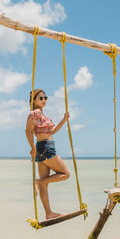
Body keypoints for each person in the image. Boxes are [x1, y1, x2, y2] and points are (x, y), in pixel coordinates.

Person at [25, 88, 70, 220]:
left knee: (44, 184)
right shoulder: (36, 112)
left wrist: (63, 120)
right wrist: (32, 147)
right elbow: (28, 130)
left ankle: (49, 213)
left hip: (42, 148)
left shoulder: (41, 115)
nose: (44, 100)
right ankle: (38, 181)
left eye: (45, 98)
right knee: (66, 174)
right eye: (40, 98)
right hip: (46, 147)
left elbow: (52, 131)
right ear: (33, 101)